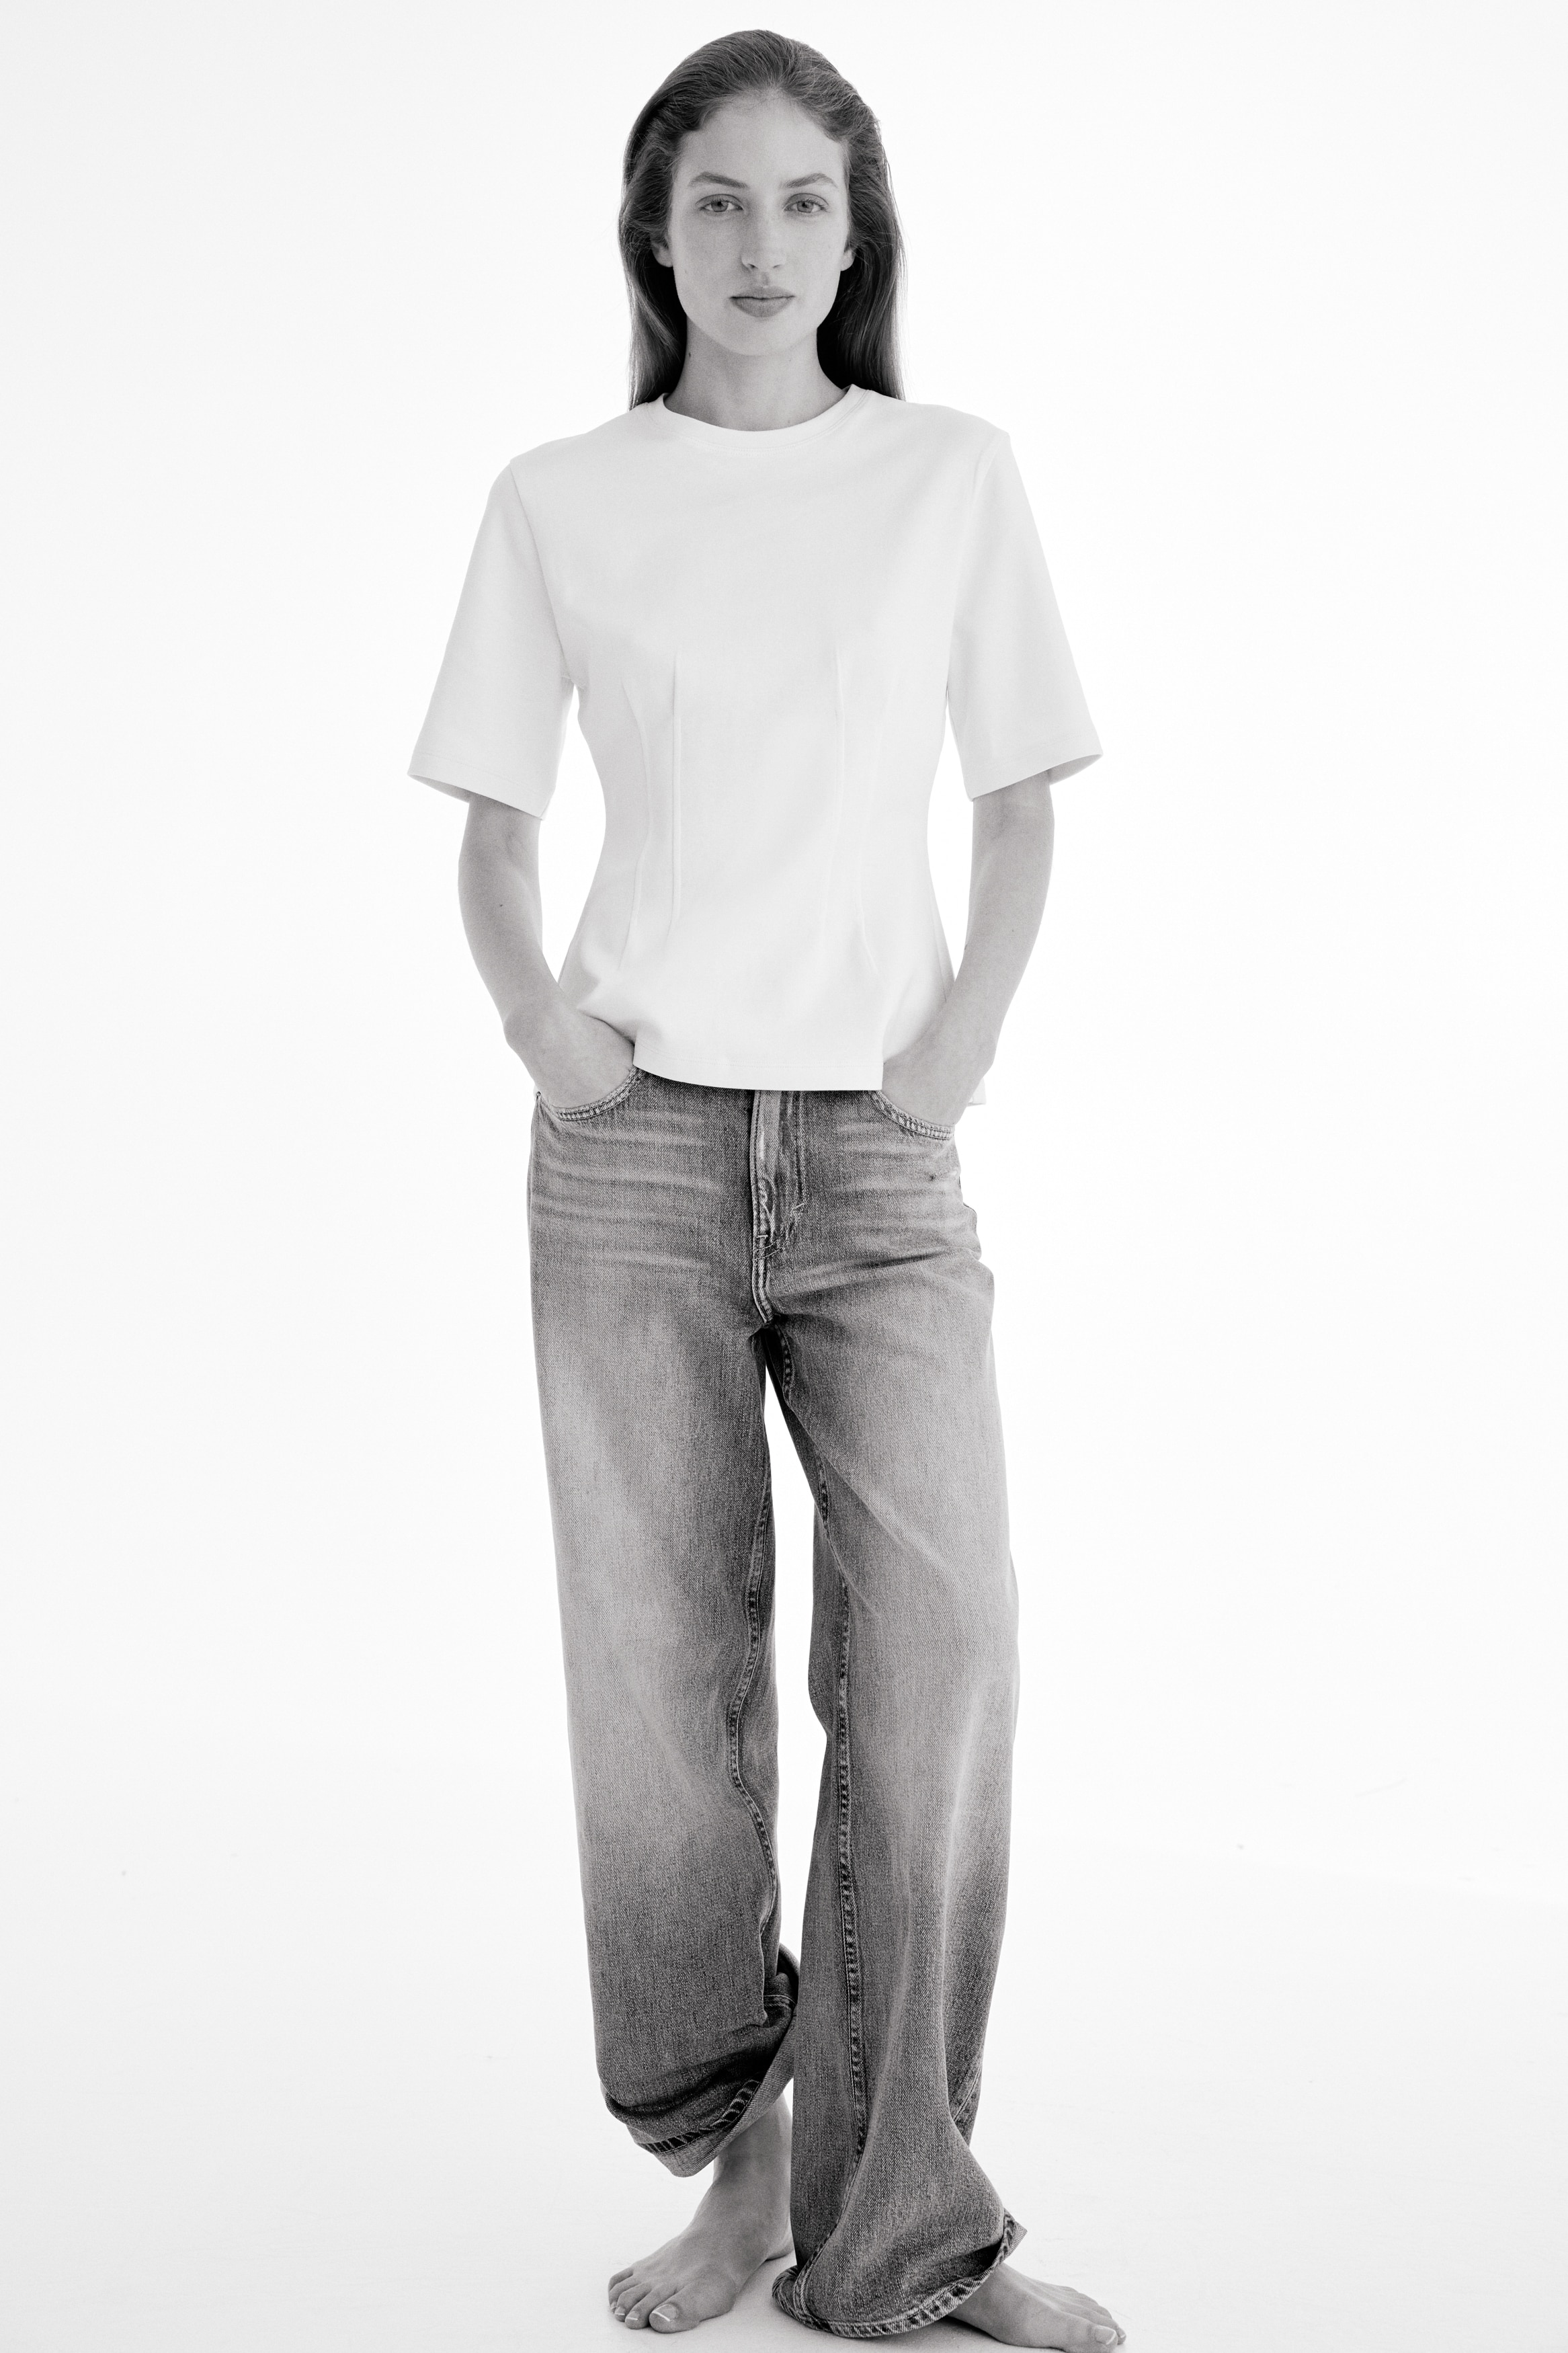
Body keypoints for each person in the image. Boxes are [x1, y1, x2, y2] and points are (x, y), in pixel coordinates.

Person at [405, 29, 1122, 2348]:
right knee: (659, 1683)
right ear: (654, 229)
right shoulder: (562, 496)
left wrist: (959, 1040)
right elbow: (491, 829)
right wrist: (541, 1023)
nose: (761, 242)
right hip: (630, 1158)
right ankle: (753, 2147)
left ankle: (893, 2228)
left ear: (857, 234)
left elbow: (1021, 801)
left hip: (883, 1161)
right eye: (716, 198)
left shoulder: (949, 476)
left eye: (806, 200)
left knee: (942, 1655)